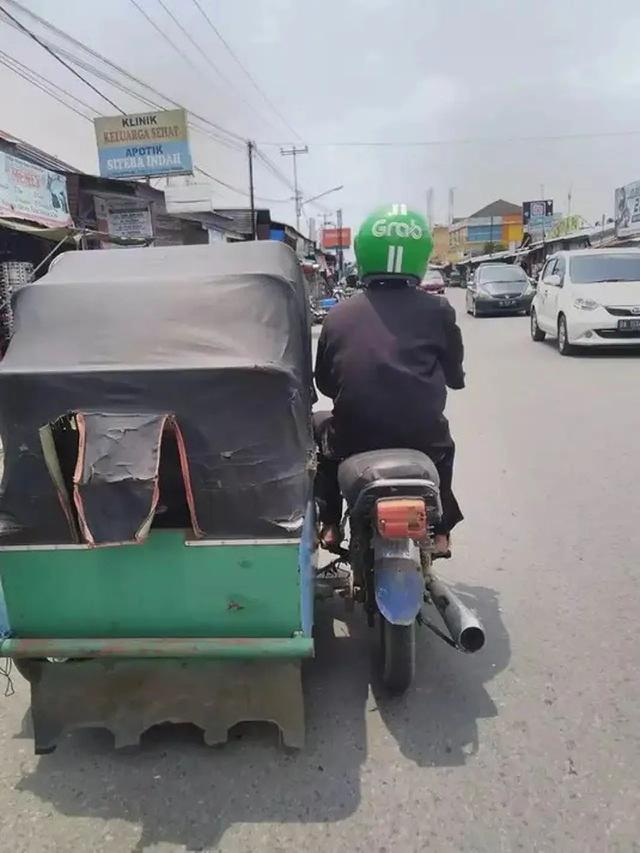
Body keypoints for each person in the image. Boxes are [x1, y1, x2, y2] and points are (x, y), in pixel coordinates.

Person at [314, 204, 465, 557]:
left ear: (363, 255)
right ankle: (441, 531)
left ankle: (332, 523)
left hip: (354, 437)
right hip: (423, 438)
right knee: (445, 449)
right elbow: (455, 377)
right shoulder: (439, 310)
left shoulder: (337, 315)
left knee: (321, 436)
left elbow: (323, 384)